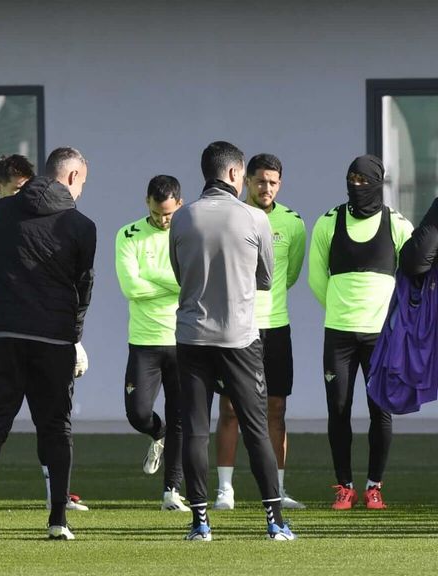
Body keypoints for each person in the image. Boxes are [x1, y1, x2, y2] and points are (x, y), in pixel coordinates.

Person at [169, 140, 294, 542]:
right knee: (256, 429)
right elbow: (266, 279)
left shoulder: (183, 217)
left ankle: (200, 523)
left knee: (196, 431)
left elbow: (179, 273)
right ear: (236, 173)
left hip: (191, 337)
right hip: (240, 338)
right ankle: (274, 521)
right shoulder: (254, 218)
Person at [0, 146, 95, 541]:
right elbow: (83, 287)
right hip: (53, 338)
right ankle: (58, 518)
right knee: (56, 428)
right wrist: (74, 336)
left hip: (5, 333)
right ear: (72, 177)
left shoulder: (2, 213)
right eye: (83, 183)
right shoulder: (81, 225)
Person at [308, 154, 413, 510]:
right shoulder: (328, 222)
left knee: (380, 410)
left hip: (382, 337)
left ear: (378, 183)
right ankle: (345, 486)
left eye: (364, 179)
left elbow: (413, 274)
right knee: (338, 409)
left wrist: (390, 319)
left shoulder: (397, 224)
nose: (357, 185)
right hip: (338, 334)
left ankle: (373, 487)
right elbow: (315, 277)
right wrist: (340, 309)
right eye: (351, 178)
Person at [213, 154, 306, 511]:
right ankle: (225, 490)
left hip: (276, 328)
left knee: (276, 408)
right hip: (237, 327)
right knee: (231, 409)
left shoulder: (293, 222)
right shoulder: (230, 216)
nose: (266, 188)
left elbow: (291, 273)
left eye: (273, 182)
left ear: (279, 184)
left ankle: (278, 489)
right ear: (246, 182)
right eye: (260, 181)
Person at [114, 174, 188, 512]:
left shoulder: (189, 234)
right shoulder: (128, 235)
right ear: (147, 203)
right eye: (158, 214)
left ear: (180, 205)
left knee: (181, 418)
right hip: (144, 342)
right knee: (138, 413)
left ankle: (172, 491)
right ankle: (155, 433)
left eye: (169, 215)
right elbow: (131, 288)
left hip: (183, 338)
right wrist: (173, 282)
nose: (162, 220)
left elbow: (191, 281)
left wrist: (153, 278)